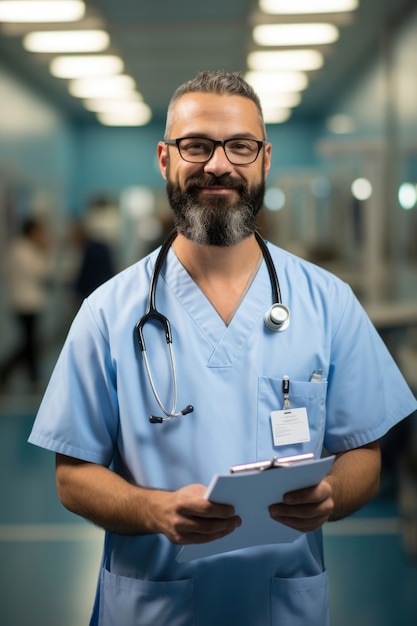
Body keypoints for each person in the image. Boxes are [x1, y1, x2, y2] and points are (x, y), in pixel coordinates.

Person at [28, 70, 417, 626]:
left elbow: (365, 455)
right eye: (197, 145)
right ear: (165, 159)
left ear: (264, 159)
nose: (218, 164)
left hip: (282, 607)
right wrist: (152, 509)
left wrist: (330, 493)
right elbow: (72, 475)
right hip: (154, 606)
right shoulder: (107, 312)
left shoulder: (329, 302)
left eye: (240, 146)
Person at [0, 218, 52, 391]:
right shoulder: (25, 251)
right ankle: (7, 372)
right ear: (32, 232)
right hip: (26, 303)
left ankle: (32, 377)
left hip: (25, 302)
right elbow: (41, 273)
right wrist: (45, 251)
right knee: (28, 343)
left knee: (29, 342)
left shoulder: (19, 249)